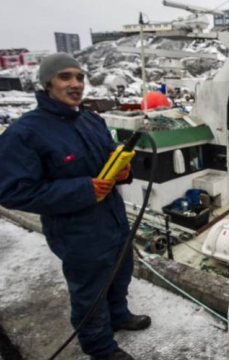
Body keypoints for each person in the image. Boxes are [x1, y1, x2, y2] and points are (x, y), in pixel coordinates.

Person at [0, 53, 150, 360]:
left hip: (114, 221)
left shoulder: (91, 119)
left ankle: (119, 316)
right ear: (47, 83)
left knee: (120, 274)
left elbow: (110, 159)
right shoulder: (24, 132)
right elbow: (12, 191)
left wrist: (123, 171)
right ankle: (100, 347)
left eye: (80, 77)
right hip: (77, 232)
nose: (76, 84)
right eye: (65, 77)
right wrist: (83, 189)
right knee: (89, 292)